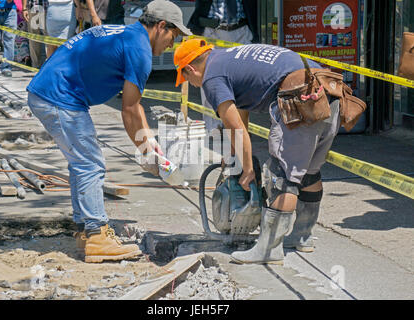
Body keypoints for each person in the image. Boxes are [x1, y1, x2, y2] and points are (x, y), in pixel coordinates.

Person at [26, 0, 192, 263]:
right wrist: (145, 152)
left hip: (52, 91)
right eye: (174, 35)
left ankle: (86, 230)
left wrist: (150, 144)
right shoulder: (140, 50)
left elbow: (135, 107)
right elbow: (129, 109)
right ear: (161, 26)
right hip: (58, 96)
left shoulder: (127, 33)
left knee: (82, 163)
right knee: (90, 163)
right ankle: (96, 235)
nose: (173, 43)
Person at [173, 39, 359, 265]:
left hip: (300, 98)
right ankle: (302, 236)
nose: (191, 84)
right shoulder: (229, 58)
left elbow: (236, 128)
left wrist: (249, 170)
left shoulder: (212, 77)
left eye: (187, 78)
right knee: (308, 171)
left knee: (282, 177)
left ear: (191, 68)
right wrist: (234, 157)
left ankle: (269, 249)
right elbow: (240, 116)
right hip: (327, 93)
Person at [187, 0, 259, 133]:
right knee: (208, 76)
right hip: (212, 30)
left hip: (241, 30)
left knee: (242, 80)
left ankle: (238, 127)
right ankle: (213, 127)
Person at [21, 0, 47, 68]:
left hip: (48, 8)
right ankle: (36, 65)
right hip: (33, 7)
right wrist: (24, 8)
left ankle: (49, 64)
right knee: (34, 38)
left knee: (49, 37)